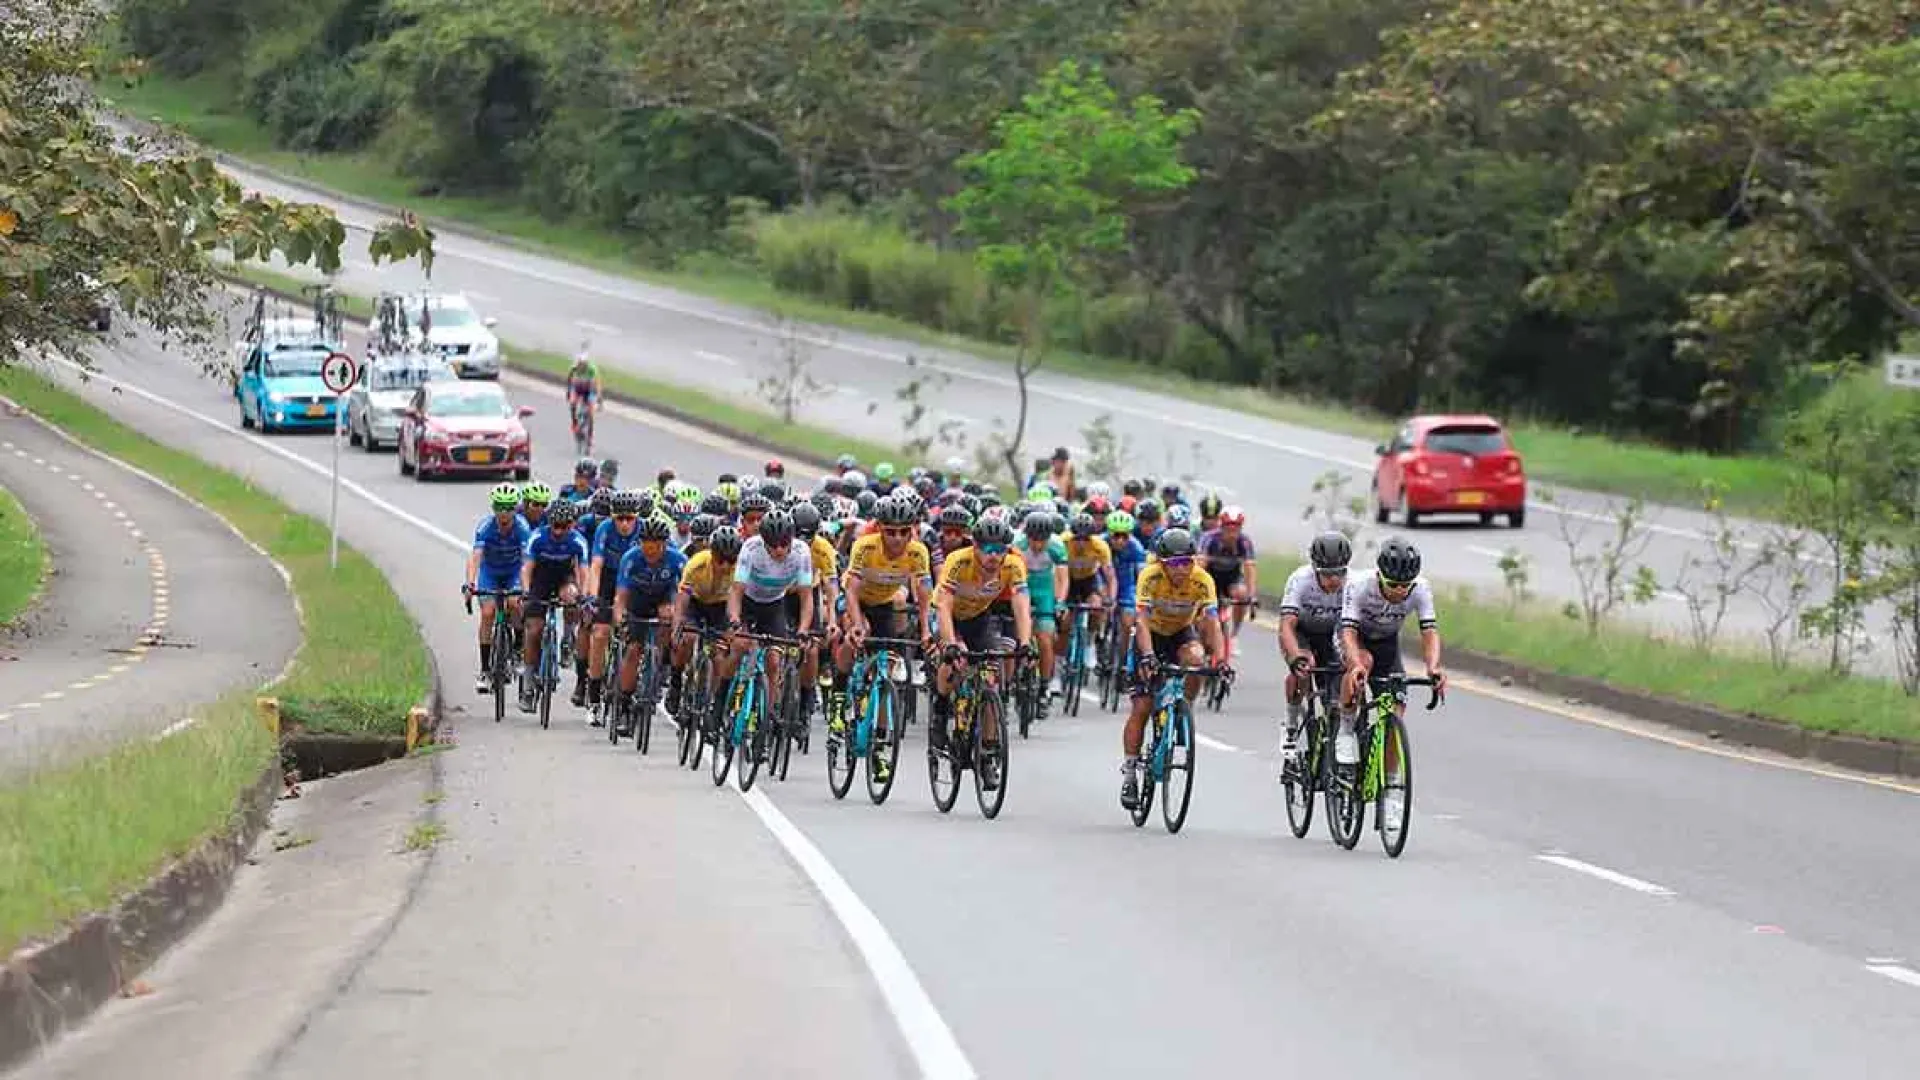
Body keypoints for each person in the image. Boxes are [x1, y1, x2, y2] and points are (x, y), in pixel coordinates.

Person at [1121, 528, 1226, 810]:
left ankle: (1184, 706)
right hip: (1150, 635)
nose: (1182, 569)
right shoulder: (1150, 575)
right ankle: (1130, 772)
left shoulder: (1202, 580)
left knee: (1196, 660)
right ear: (1162, 563)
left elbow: (1213, 622)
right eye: (1175, 564)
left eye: (1187, 562)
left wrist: (1221, 659)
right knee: (1142, 707)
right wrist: (1147, 655)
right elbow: (1140, 620)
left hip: (1180, 632)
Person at [931, 517, 1032, 791]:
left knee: (991, 680)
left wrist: (1026, 642)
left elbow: (1022, 604)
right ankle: (940, 710)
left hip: (979, 618)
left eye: (1000, 549)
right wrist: (950, 643)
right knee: (955, 660)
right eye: (987, 549)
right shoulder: (957, 561)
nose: (994, 556)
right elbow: (943, 605)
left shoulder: (1013, 565)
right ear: (974, 546)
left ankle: (987, 753)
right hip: (948, 617)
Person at [1336, 537, 1446, 766]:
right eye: (1393, 584)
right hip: (1355, 639)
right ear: (1379, 576)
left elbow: (1430, 632)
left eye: (1406, 584)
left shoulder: (1421, 589)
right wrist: (1355, 663)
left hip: (1387, 644)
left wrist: (1433, 667)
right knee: (1363, 663)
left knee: (1395, 713)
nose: (1400, 590)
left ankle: (1391, 784)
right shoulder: (1359, 585)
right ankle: (1345, 730)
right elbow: (1348, 632)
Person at [709, 510, 815, 739]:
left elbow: (807, 598)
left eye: (784, 543)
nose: (779, 550)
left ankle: (768, 716)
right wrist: (735, 620)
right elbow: (736, 592)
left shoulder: (801, 552)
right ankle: (719, 702)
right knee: (738, 648)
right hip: (747, 602)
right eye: (773, 545)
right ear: (764, 541)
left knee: (774, 661)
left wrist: (803, 630)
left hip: (774, 605)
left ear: (792, 539)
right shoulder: (750, 549)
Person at [1277, 531, 1351, 762]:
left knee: (1341, 687)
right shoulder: (1300, 580)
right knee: (1306, 666)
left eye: (1339, 573)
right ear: (1315, 569)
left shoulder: (1352, 584)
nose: (1334, 581)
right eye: (1327, 574)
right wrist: (1294, 657)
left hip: (1332, 636)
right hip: (1302, 633)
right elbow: (1287, 627)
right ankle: (1291, 724)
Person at [611, 517, 687, 726]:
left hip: (665, 598)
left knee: (668, 617)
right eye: (646, 544)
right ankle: (625, 704)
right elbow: (621, 597)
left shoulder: (677, 560)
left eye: (655, 546)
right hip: (638, 601)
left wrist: (679, 621)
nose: (650, 550)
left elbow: (685, 595)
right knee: (633, 650)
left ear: (664, 544)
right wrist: (620, 621)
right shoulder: (631, 558)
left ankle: (660, 666)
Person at [519, 498, 591, 713]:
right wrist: (525, 592)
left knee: (571, 597)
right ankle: (529, 681)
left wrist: (584, 594)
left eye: (564, 526)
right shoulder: (538, 537)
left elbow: (584, 571)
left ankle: (567, 639)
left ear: (572, 525)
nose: (559, 531)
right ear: (550, 523)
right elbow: (526, 569)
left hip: (563, 578)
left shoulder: (578, 541)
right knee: (534, 630)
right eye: (555, 526)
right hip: (540, 579)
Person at [464, 483, 530, 694]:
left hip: (513, 573)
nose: (504, 513)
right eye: (500, 507)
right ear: (493, 508)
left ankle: (519, 648)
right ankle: (484, 670)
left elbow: (527, 561)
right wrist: (470, 583)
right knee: (487, 613)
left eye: (509, 508)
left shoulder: (522, 528)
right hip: (490, 573)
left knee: (514, 603)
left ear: (515, 509)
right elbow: (475, 557)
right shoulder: (486, 527)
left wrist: (526, 589)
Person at [668, 525, 742, 715]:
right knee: (688, 638)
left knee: (719, 654)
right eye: (721, 560)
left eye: (730, 560)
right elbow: (682, 600)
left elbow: (739, 601)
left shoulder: (741, 569)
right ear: (712, 554)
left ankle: (713, 703)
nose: (725, 565)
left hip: (721, 607)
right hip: (696, 602)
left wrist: (734, 627)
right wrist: (677, 628)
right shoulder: (697, 563)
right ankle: (675, 682)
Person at [581, 489, 643, 713]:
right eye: (620, 518)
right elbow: (595, 566)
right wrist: (593, 597)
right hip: (608, 580)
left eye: (630, 519)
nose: (625, 524)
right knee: (599, 634)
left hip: (634, 584)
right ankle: (594, 695)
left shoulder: (645, 530)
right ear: (612, 517)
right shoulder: (604, 529)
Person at [1015, 511, 1068, 712]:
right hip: (1023, 586)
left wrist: (1060, 601)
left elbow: (1063, 578)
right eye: (1033, 540)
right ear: (1027, 536)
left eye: (1042, 540)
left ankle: (1044, 685)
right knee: (1021, 634)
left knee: (1045, 639)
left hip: (1045, 589)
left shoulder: (1056, 546)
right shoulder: (1017, 545)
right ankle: (1016, 676)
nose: (1037, 545)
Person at [1198, 505, 1258, 648]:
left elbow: (1250, 568)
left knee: (1242, 594)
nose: (1232, 532)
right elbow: (1200, 564)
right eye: (1228, 528)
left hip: (1231, 578)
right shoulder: (1209, 538)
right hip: (1210, 577)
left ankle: (1234, 634)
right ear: (1221, 526)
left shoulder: (1244, 542)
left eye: (1236, 528)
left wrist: (1252, 596)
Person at [566, 347, 601, 454]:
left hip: (590, 390)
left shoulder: (592, 369)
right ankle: (575, 423)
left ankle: (589, 439)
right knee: (572, 404)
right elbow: (569, 380)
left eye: (584, 364)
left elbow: (598, 384)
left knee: (590, 414)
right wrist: (568, 391)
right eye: (580, 364)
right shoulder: (574, 368)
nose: (582, 366)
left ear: (587, 363)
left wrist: (599, 398)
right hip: (578, 388)